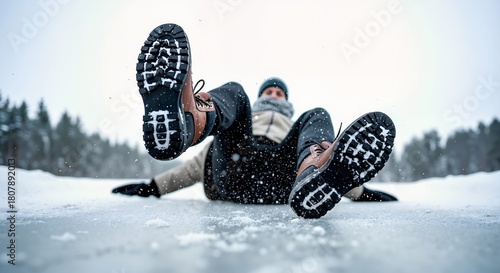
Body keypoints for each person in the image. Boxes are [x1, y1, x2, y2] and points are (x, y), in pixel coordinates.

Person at [112, 23, 397, 219]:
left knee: (317, 114)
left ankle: (312, 170)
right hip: (236, 169)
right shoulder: (245, 117)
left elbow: (337, 170)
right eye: (269, 91)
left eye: (279, 92)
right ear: (263, 97)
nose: (274, 94)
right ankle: (190, 121)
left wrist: (361, 193)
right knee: (235, 92)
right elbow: (199, 165)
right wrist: (154, 187)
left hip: (286, 180)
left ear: (286, 101)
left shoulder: (294, 128)